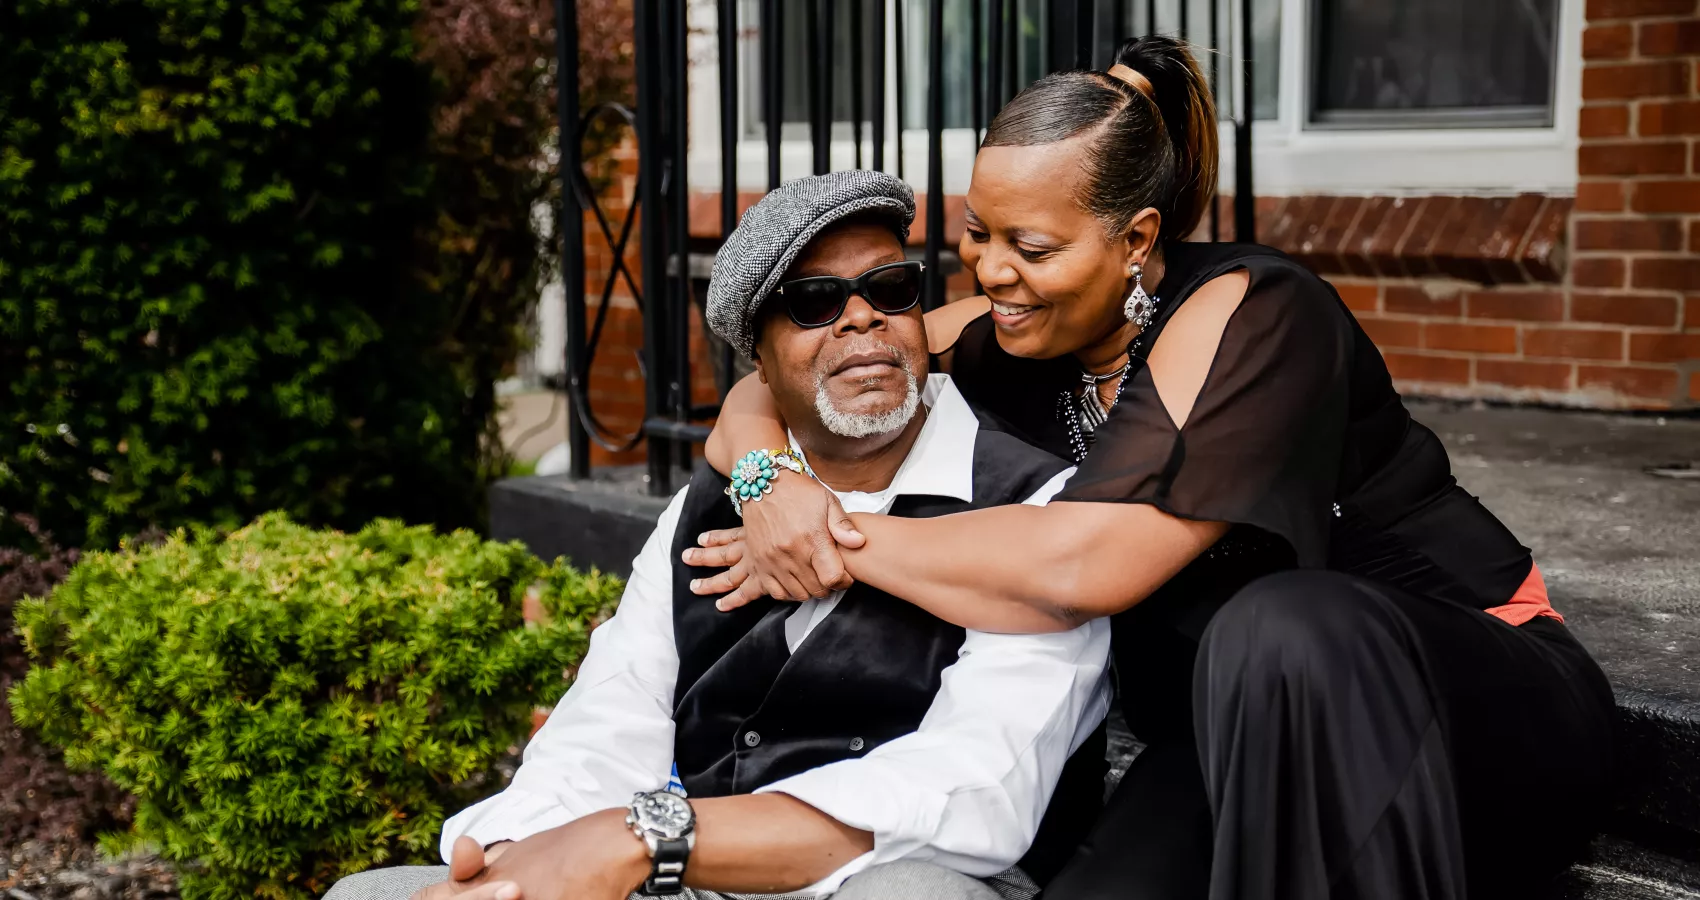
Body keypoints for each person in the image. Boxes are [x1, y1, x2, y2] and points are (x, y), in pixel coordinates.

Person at [688, 37, 1615, 900]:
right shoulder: (1014, 329)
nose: (992, 272)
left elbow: (1082, 568)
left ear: (1134, 241)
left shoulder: (1257, 312)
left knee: (1284, 622)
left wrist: (831, 538)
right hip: (1233, 735)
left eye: (1032, 248)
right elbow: (787, 383)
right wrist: (774, 487)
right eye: (979, 234)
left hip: (1469, 704)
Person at [323, 170, 1111, 900]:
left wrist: (648, 838)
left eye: (889, 288)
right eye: (813, 302)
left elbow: (975, 791)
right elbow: (614, 711)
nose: (862, 316)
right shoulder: (719, 498)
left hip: (887, 872)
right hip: (688, 873)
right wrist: (509, 858)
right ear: (758, 366)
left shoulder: (1036, 509)